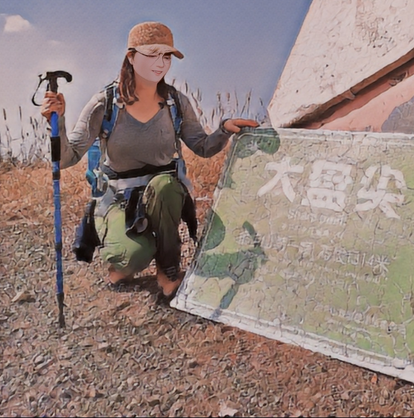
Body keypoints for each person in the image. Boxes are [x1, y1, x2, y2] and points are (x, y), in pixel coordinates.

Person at [41, 21, 258, 297]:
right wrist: (56, 123)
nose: (161, 63)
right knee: (130, 259)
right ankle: (128, 254)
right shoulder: (104, 104)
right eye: (152, 54)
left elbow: (202, 147)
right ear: (131, 57)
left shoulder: (175, 102)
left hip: (162, 195)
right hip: (118, 199)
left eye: (166, 56)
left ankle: (168, 269)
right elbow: (67, 157)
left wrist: (224, 129)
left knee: (166, 185)